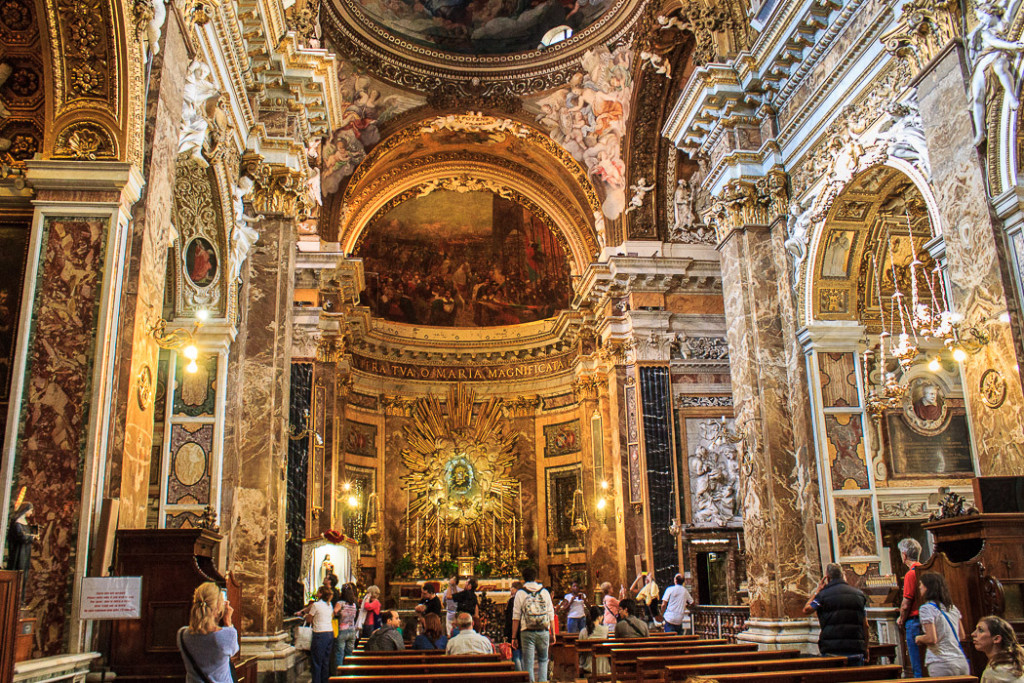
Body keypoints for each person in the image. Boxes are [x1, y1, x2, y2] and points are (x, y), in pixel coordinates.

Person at [802, 563, 869, 664]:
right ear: (843, 575)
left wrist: (817, 591)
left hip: (832, 648)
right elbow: (866, 625)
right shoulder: (859, 595)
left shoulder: (823, 595)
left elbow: (806, 610)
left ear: (827, 577)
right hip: (855, 648)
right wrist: (866, 647)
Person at [177, 582, 239, 683]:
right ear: (219, 607)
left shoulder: (182, 634)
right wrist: (228, 621)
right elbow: (234, 652)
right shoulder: (226, 635)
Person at [915, 573, 970, 676]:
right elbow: (961, 635)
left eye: (921, 584)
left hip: (941, 662)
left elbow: (932, 639)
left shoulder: (926, 608)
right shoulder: (952, 608)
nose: (919, 587)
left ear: (928, 587)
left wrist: (919, 638)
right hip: (960, 660)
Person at [512, 565, 556, 682]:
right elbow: (551, 613)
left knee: (528, 663)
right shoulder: (545, 592)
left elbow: (516, 616)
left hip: (527, 631)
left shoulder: (520, 593)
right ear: (535, 577)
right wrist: (553, 633)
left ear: (523, 579)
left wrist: (513, 637)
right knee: (543, 660)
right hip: (543, 630)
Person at [896, 538, 925, 677]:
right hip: (926, 619)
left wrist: (901, 619)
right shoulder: (926, 571)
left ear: (904, 555)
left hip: (914, 620)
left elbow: (906, 603)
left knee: (916, 663)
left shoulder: (911, 574)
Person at [973, 615, 1024, 683]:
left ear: (996, 639)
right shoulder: (1014, 663)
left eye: (981, 630)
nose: (973, 634)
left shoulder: (994, 672)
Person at [302, 585, 334, 683]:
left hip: (320, 633)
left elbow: (309, 619)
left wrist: (306, 616)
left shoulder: (316, 605)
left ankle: (316, 681)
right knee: (325, 660)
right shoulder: (329, 605)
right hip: (329, 632)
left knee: (316, 661)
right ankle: (324, 681)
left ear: (320, 594)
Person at [5, 502, 35, 603]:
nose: (31, 513)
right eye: (30, 510)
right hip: (19, 554)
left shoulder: (24, 522)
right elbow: (21, 537)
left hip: (25, 553)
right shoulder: (17, 523)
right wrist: (31, 537)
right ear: (25, 510)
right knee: (19, 573)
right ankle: (15, 600)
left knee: (24, 575)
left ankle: (20, 600)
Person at [578, 605, 609, 677]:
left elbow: (580, 651)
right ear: (599, 617)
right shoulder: (605, 630)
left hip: (588, 663)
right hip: (603, 663)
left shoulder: (584, 631)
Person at [333, 583, 359, 668]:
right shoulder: (353, 604)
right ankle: (349, 670)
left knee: (340, 652)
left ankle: (339, 672)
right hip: (352, 629)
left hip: (342, 629)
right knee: (349, 653)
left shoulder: (340, 603)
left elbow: (335, 612)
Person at [505, 580, 524, 671]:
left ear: (516, 589)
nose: (510, 589)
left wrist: (507, 633)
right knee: (522, 655)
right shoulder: (525, 599)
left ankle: (519, 676)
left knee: (516, 654)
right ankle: (525, 675)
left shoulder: (512, 601)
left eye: (512, 588)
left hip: (514, 630)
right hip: (524, 628)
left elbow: (509, 618)